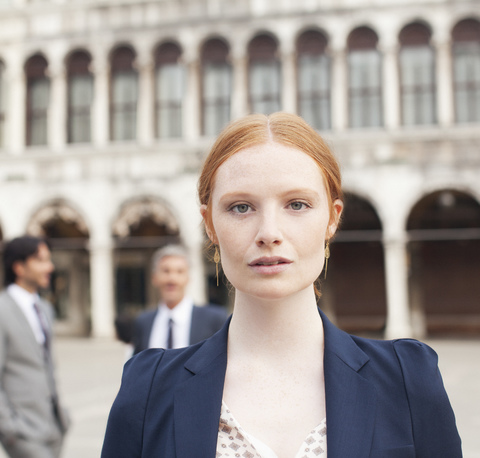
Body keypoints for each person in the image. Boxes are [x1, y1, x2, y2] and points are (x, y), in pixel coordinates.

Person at [102, 113, 462, 457]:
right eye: (241, 208)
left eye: (297, 204)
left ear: (332, 219)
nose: (269, 233)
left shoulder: (409, 380)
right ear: (209, 223)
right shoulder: (147, 389)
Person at [0, 236, 70, 458]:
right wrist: (9, 427)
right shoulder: (2, 310)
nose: (50, 267)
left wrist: (62, 418)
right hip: (22, 431)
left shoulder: (46, 309)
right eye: (41, 260)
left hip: (54, 427)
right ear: (19, 267)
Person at [132, 244, 229, 355]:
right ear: (154, 277)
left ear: (188, 278)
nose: (172, 279)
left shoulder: (214, 319)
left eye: (179, 271)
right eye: (166, 271)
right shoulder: (143, 322)